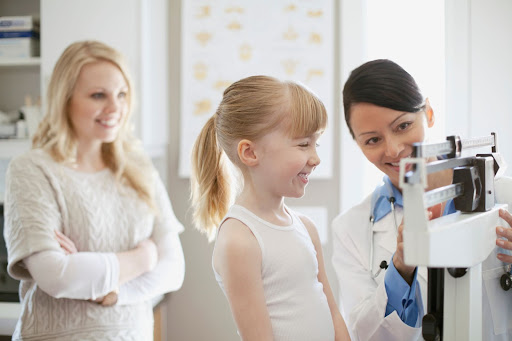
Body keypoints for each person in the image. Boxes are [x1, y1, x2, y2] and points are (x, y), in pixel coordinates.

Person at [4, 40, 185, 340]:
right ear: (65, 100)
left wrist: (112, 291)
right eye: (98, 95)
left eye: (122, 94)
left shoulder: (139, 167)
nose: (115, 108)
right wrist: (143, 259)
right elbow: (57, 276)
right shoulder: (32, 169)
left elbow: (174, 269)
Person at [331, 59, 512, 340]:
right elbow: (368, 334)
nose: (394, 150)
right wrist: (401, 267)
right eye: (372, 140)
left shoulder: (504, 194)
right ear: (357, 143)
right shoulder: (350, 230)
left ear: (428, 113)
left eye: (403, 126)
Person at [190, 75, 351, 341]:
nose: (316, 158)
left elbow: (333, 313)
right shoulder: (240, 239)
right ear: (250, 153)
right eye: (303, 144)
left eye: (316, 143)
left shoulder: (305, 227)